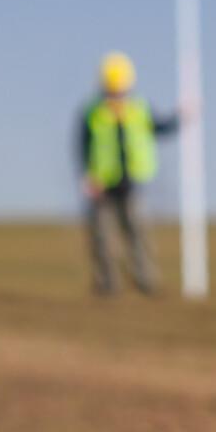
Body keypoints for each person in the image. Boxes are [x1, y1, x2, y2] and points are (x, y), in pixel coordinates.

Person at [77, 51, 180, 296]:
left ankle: (146, 280)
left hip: (131, 183)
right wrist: (87, 175)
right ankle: (107, 283)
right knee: (102, 237)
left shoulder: (139, 108)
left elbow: (159, 127)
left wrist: (180, 118)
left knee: (139, 233)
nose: (116, 92)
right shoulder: (93, 112)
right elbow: (82, 145)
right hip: (102, 184)